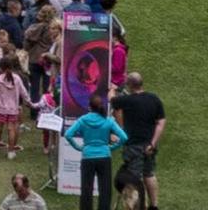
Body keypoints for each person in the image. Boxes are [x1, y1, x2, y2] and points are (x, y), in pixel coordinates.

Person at [111, 71, 164, 210]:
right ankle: (154, 206)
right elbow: (161, 122)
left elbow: (112, 100)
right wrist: (153, 143)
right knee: (149, 174)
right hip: (150, 146)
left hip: (133, 146)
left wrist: (112, 89)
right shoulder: (154, 99)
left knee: (132, 181)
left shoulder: (127, 100)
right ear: (142, 83)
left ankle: (136, 207)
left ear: (129, 85)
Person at [64, 97, 127, 210]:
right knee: (105, 189)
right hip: (104, 156)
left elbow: (68, 134)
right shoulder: (108, 120)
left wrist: (78, 147)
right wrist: (112, 147)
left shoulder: (83, 120)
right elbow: (124, 137)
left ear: (89, 107)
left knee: (86, 189)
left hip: (87, 156)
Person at [0, 49, 30, 159]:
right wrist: (29, 102)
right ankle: (11, 151)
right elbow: (23, 92)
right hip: (13, 109)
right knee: (11, 129)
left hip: (0, 108)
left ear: (1, 68)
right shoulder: (17, 78)